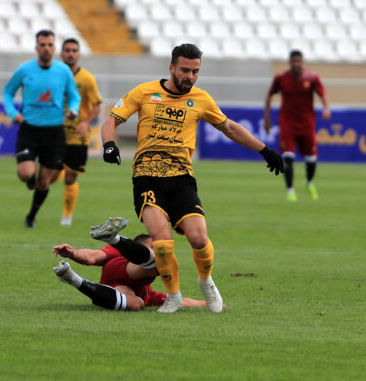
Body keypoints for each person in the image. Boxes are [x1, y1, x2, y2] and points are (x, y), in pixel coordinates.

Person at [101, 43, 284, 314]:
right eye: (185, 70)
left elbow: (230, 128)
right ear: (172, 68)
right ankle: (173, 295)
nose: (190, 76)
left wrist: (265, 150)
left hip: (182, 178)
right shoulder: (143, 92)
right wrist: (109, 145)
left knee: (199, 239)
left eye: (195, 71)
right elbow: (111, 120)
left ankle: (206, 280)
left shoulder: (200, 99)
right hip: (146, 178)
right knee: (162, 242)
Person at [2, 29, 80, 228]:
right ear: (37, 47)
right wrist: (13, 113)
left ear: (55, 48)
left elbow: (74, 95)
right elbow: (8, 92)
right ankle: (30, 179)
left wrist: (73, 109)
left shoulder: (63, 71)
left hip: (54, 133)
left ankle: (31, 216)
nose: (47, 48)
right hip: (29, 130)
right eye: (43, 45)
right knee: (26, 174)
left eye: (50, 45)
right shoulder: (24, 70)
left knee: (44, 182)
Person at [53, 217, 207, 311]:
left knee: (137, 304)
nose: (156, 248)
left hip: (113, 289)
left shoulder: (147, 294)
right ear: (137, 246)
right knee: (161, 264)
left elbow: (181, 301)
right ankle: (114, 239)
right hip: (119, 268)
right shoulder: (118, 253)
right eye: (152, 246)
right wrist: (73, 253)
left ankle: (73, 278)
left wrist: (207, 302)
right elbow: (92, 257)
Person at [264, 49, 330, 201]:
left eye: (298, 61)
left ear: (302, 62)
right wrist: (267, 118)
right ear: (289, 62)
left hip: (307, 124)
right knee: (288, 157)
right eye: (293, 61)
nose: (296, 64)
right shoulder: (281, 78)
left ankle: (309, 182)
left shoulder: (312, 77)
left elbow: (321, 93)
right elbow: (270, 94)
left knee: (311, 160)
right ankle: (290, 190)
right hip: (287, 123)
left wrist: (326, 107)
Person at [59, 38, 103, 226]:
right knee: (49, 173)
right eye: (67, 50)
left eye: (74, 50)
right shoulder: (54, 75)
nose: (70, 53)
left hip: (77, 135)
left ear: (78, 54)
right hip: (55, 133)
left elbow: (97, 105)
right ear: (62, 53)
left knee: (71, 176)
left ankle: (67, 215)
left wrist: (85, 122)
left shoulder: (87, 78)